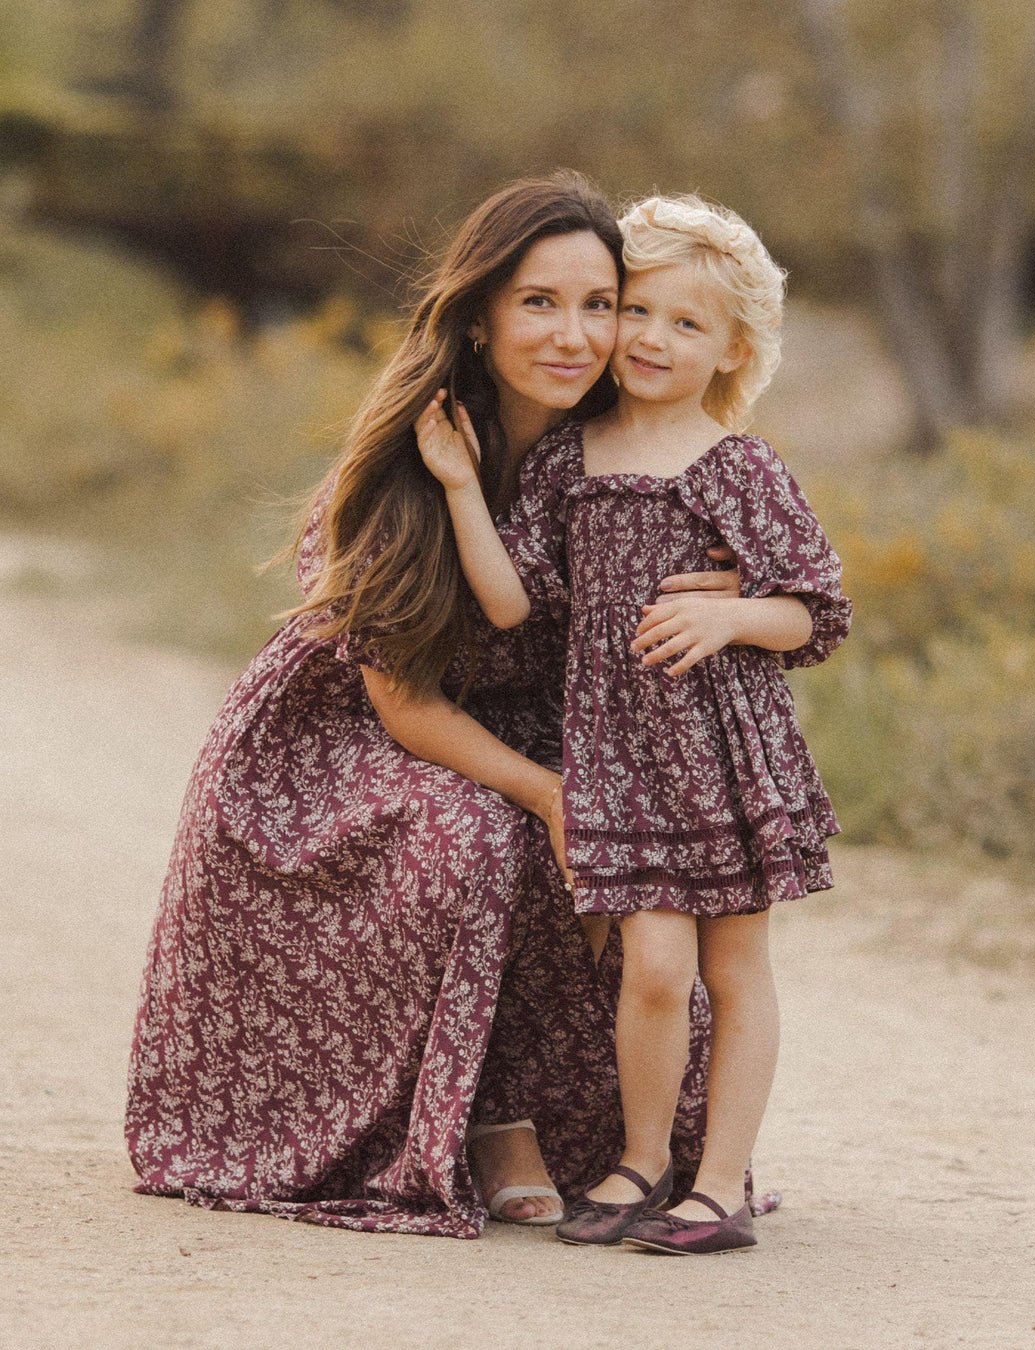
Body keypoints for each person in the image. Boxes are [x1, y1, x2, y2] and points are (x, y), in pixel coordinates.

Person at [125, 173, 778, 1239]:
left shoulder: (636, 442)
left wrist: (732, 596)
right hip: (350, 743)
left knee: (639, 854)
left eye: (600, 304)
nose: (576, 335)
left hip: (549, 729)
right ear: (479, 314)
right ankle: (479, 1116)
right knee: (483, 829)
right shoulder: (416, 459)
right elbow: (406, 709)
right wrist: (554, 796)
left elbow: (767, 558)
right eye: (538, 302)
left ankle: (632, 1146)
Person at [416, 193, 850, 1252]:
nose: (652, 339)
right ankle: (640, 1162)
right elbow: (512, 600)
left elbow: (818, 610)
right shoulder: (573, 459)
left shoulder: (737, 467)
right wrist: (463, 487)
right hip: (616, 756)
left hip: (722, 758)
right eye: (639, 313)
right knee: (653, 970)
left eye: (686, 325)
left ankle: (722, 1185)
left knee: (733, 969)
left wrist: (736, 612)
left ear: (733, 348)